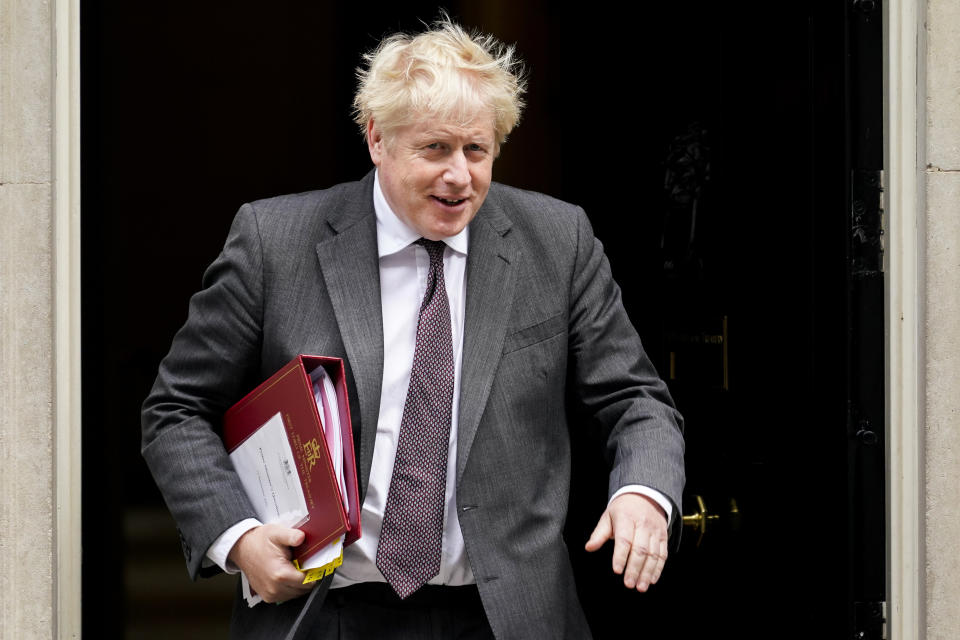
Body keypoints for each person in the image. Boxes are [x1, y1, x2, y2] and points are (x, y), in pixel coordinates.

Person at [142, 16, 684, 640]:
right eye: (435, 149)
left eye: (476, 150)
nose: (460, 175)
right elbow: (176, 410)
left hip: (506, 617)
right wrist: (238, 540)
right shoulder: (275, 242)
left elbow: (636, 399)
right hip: (327, 615)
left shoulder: (557, 243)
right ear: (377, 138)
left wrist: (643, 491)